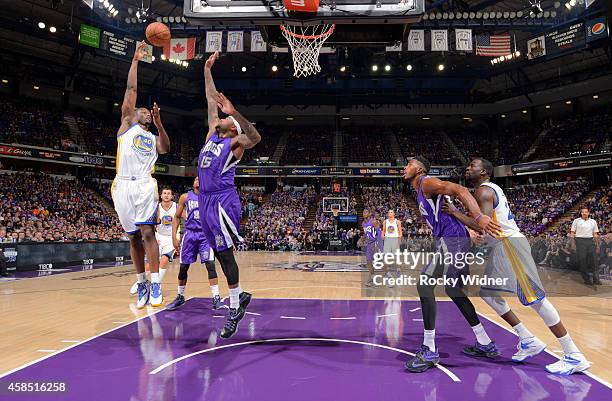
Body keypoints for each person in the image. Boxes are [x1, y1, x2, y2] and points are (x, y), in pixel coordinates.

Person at [445, 157, 590, 375]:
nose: (467, 168)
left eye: (472, 166)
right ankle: (527, 338)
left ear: (484, 172)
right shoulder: (488, 190)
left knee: (535, 299)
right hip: (502, 246)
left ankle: (573, 354)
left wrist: (455, 212)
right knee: (489, 294)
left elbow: (480, 222)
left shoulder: (483, 192)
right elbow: (488, 225)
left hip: (510, 246)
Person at [402, 156, 501, 373]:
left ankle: (429, 349)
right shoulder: (421, 189)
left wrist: (478, 217)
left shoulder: (427, 182)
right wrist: (468, 231)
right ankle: (484, 342)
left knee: (425, 284)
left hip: (452, 239)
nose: (404, 167)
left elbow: (459, 190)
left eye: (409, 164)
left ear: (419, 169)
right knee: (453, 289)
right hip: (452, 238)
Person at [199, 52, 261, 338]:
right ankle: (240, 297)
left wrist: (235, 112)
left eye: (225, 117)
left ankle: (235, 307)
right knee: (219, 255)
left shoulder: (236, 142)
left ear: (232, 126)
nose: (220, 116)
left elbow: (256, 138)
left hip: (223, 202)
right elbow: (212, 98)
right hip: (205, 202)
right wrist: (207, 69)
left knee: (225, 253)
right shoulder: (212, 134)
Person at [111, 42, 170, 309]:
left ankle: (156, 282)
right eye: (142, 111)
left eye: (149, 111)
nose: (146, 111)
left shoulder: (153, 135)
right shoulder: (127, 125)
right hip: (122, 186)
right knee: (133, 237)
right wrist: (135, 61)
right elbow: (131, 90)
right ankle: (142, 282)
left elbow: (166, 149)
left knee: (148, 233)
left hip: (146, 185)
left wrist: (159, 123)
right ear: (133, 114)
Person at [166, 177, 222, 311]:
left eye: (200, 179)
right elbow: (177, 217)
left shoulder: (210, 197)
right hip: (189, 234)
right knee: (183, 267)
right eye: (196, 179)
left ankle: (216, 297)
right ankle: (180, 296)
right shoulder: (185, 197)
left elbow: (216, 219)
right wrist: (174, 237)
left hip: (205, 235)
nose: (198, 181)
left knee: (210, 265)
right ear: (193, 183)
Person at [129, 187, 175, 295]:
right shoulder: (156, 207)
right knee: (150, 264)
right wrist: (154, 238)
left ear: (172, 196)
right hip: (159, 236)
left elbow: (188, 217)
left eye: (169, 193)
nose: (166, 195)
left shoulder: (176, 207)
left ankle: (155, 285)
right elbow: (152, 225)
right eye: (164, 193)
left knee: (164, 260)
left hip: (170, 237)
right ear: (161, 196)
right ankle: (142, 282)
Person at [570, 207, 600, 285]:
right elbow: (572, 233)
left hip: (590, 241)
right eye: (583, 212)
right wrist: (573, 243)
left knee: (594, 260)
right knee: (583, 261)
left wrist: (597, 245)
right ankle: (586, 279)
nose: (584, 213)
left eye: (586, 212)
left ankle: (596, 279)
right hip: (580, 241)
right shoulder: (576, 221)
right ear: (581, 213)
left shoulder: (593, 221)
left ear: (588, 213)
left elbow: (595, 234)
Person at [361, 209, 383, 287]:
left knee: (381, 262)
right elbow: (366, 233)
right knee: (369, 262)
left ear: (369, 213)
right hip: (369, 244)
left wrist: (377, 244)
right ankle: (372, 279)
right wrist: (361, 239)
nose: (364, 213)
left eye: (366, 212)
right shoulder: (363, 223)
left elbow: (379, 232)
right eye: (363, 212)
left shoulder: (373, 221)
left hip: (375, 243)